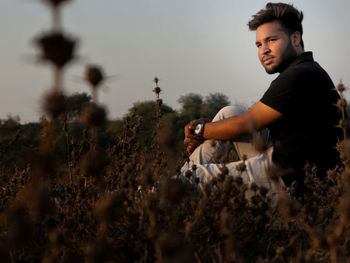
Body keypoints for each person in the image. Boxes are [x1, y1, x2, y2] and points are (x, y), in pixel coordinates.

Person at [181, 2, 342, 195]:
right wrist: (206, 131)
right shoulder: (306, 69)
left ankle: (151, 196)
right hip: (291, 164)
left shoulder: (299, 75)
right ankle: (184, 174)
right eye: (259, 44)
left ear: (296, 38)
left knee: (186, 180)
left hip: (292, 180)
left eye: (272, 40)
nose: (264, 50)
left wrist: (199, 130)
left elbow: (246, 124)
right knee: (229, 113)